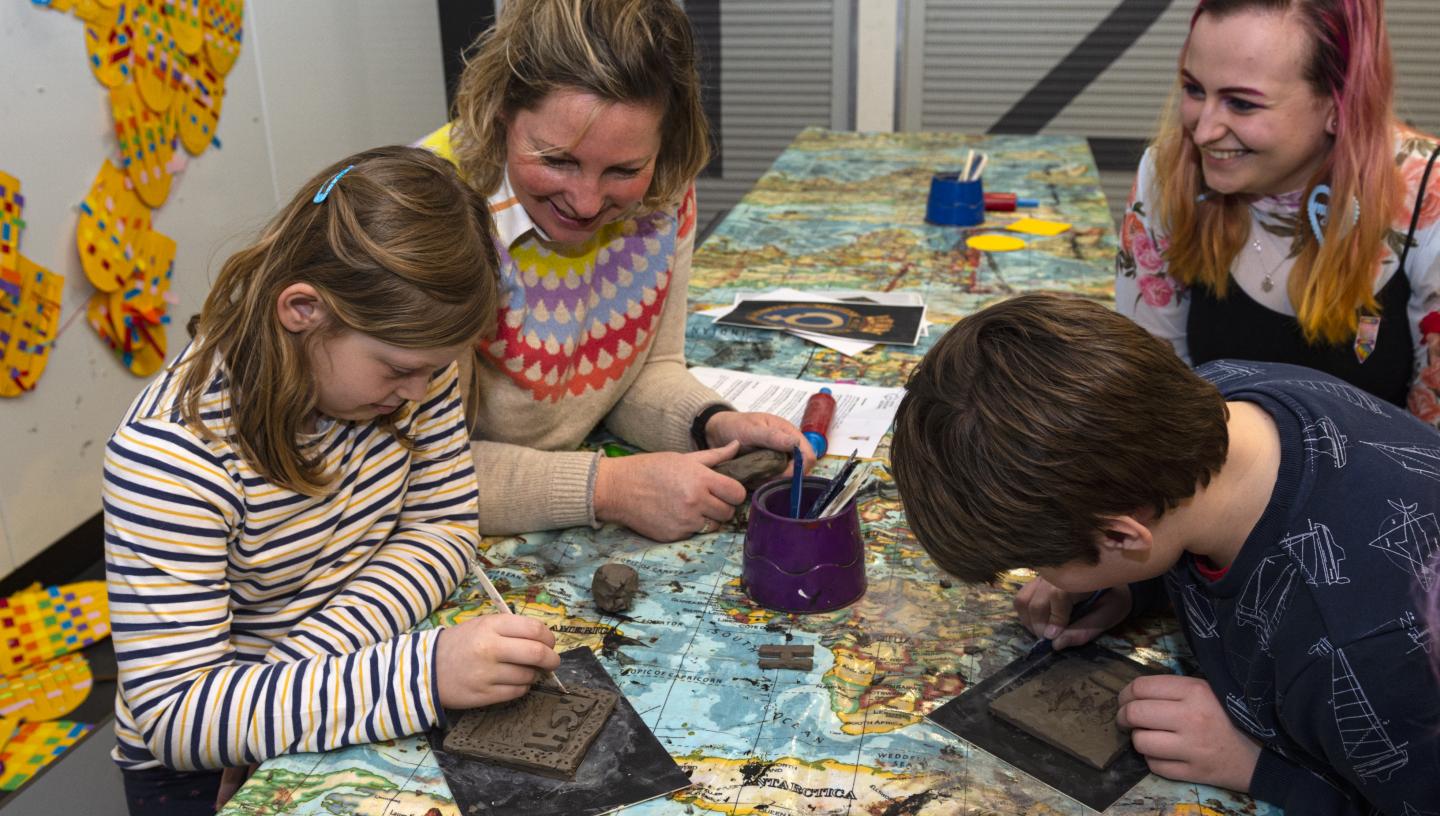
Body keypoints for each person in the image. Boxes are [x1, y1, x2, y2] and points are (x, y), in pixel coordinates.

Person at [103, 146, 562, 816]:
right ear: (302, 309)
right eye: (399, 369)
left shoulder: (407, 366)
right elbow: (179, 717)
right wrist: (424, 674)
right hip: (204, 766)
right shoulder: (171, 458)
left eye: (433, 372)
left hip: (314, 695)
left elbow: (443, 529)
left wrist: (308, 657)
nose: (416, 394)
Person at [890, 292, 1440, 814]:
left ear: (1124, 536)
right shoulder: (1222, 390)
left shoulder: (1366, 655)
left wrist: (1261, 767)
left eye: (1038, 561)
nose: (1039, 576)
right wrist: (1132, 584)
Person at [419, 0, 811, 543]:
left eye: (624, 169)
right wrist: (609, 488)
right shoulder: (429, 220)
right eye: (556, 160)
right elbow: (417, 480)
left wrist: (712, 425)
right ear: (501, 109)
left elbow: (638, 373)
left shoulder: (662, 190)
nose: (585, 202)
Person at [1115, 0, 1440, 425]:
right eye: (1194, 90)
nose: (1204, 130)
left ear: (1337, 105)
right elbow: (1154, 398)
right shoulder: (1169, 172)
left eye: (1243, 104)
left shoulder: (1426, 198)